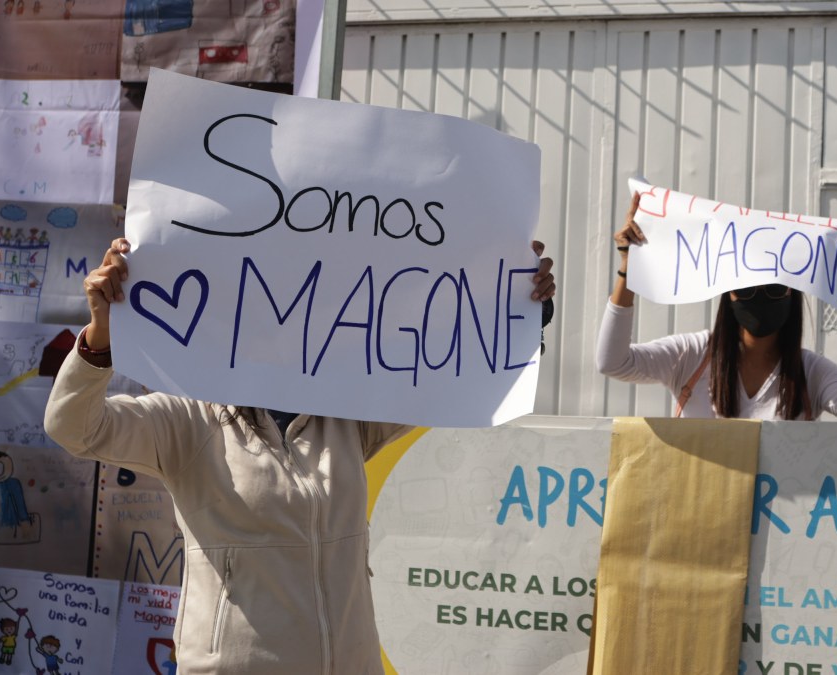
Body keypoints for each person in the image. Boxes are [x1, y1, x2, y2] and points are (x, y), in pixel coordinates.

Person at [43, 238, 556, 675]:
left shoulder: (347, 408)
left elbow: (451, 380)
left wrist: (513, 310)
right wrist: (100, 339)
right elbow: (74, 428)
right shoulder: (189, 416)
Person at [596, 193, 837, 420]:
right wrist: (629, 269)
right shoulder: (692, 355)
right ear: (726, 293)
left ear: (793, 292)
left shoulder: (810, 372)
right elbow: (612, 362)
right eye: (745, 288)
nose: (759, 297)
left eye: (774, 288)